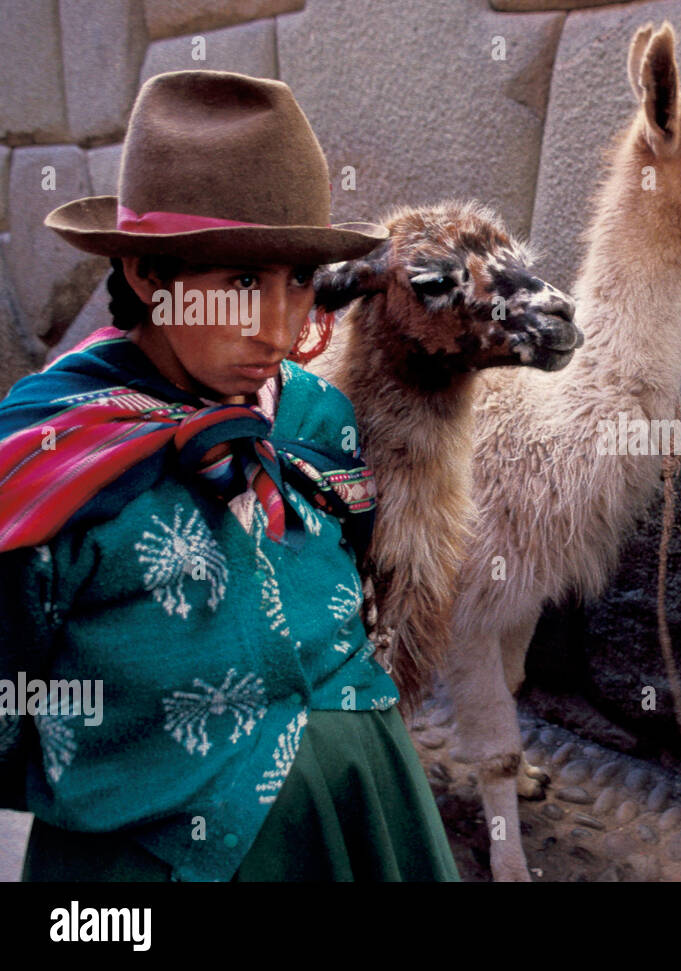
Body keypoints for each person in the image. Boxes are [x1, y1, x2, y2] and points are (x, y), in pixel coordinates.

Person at [0, 70, 459, 881]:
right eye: (242, 282)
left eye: (296, 281)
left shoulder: (317, 417)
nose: (280, 328)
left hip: (363, 822)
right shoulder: (46, 456)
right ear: (147, 275)